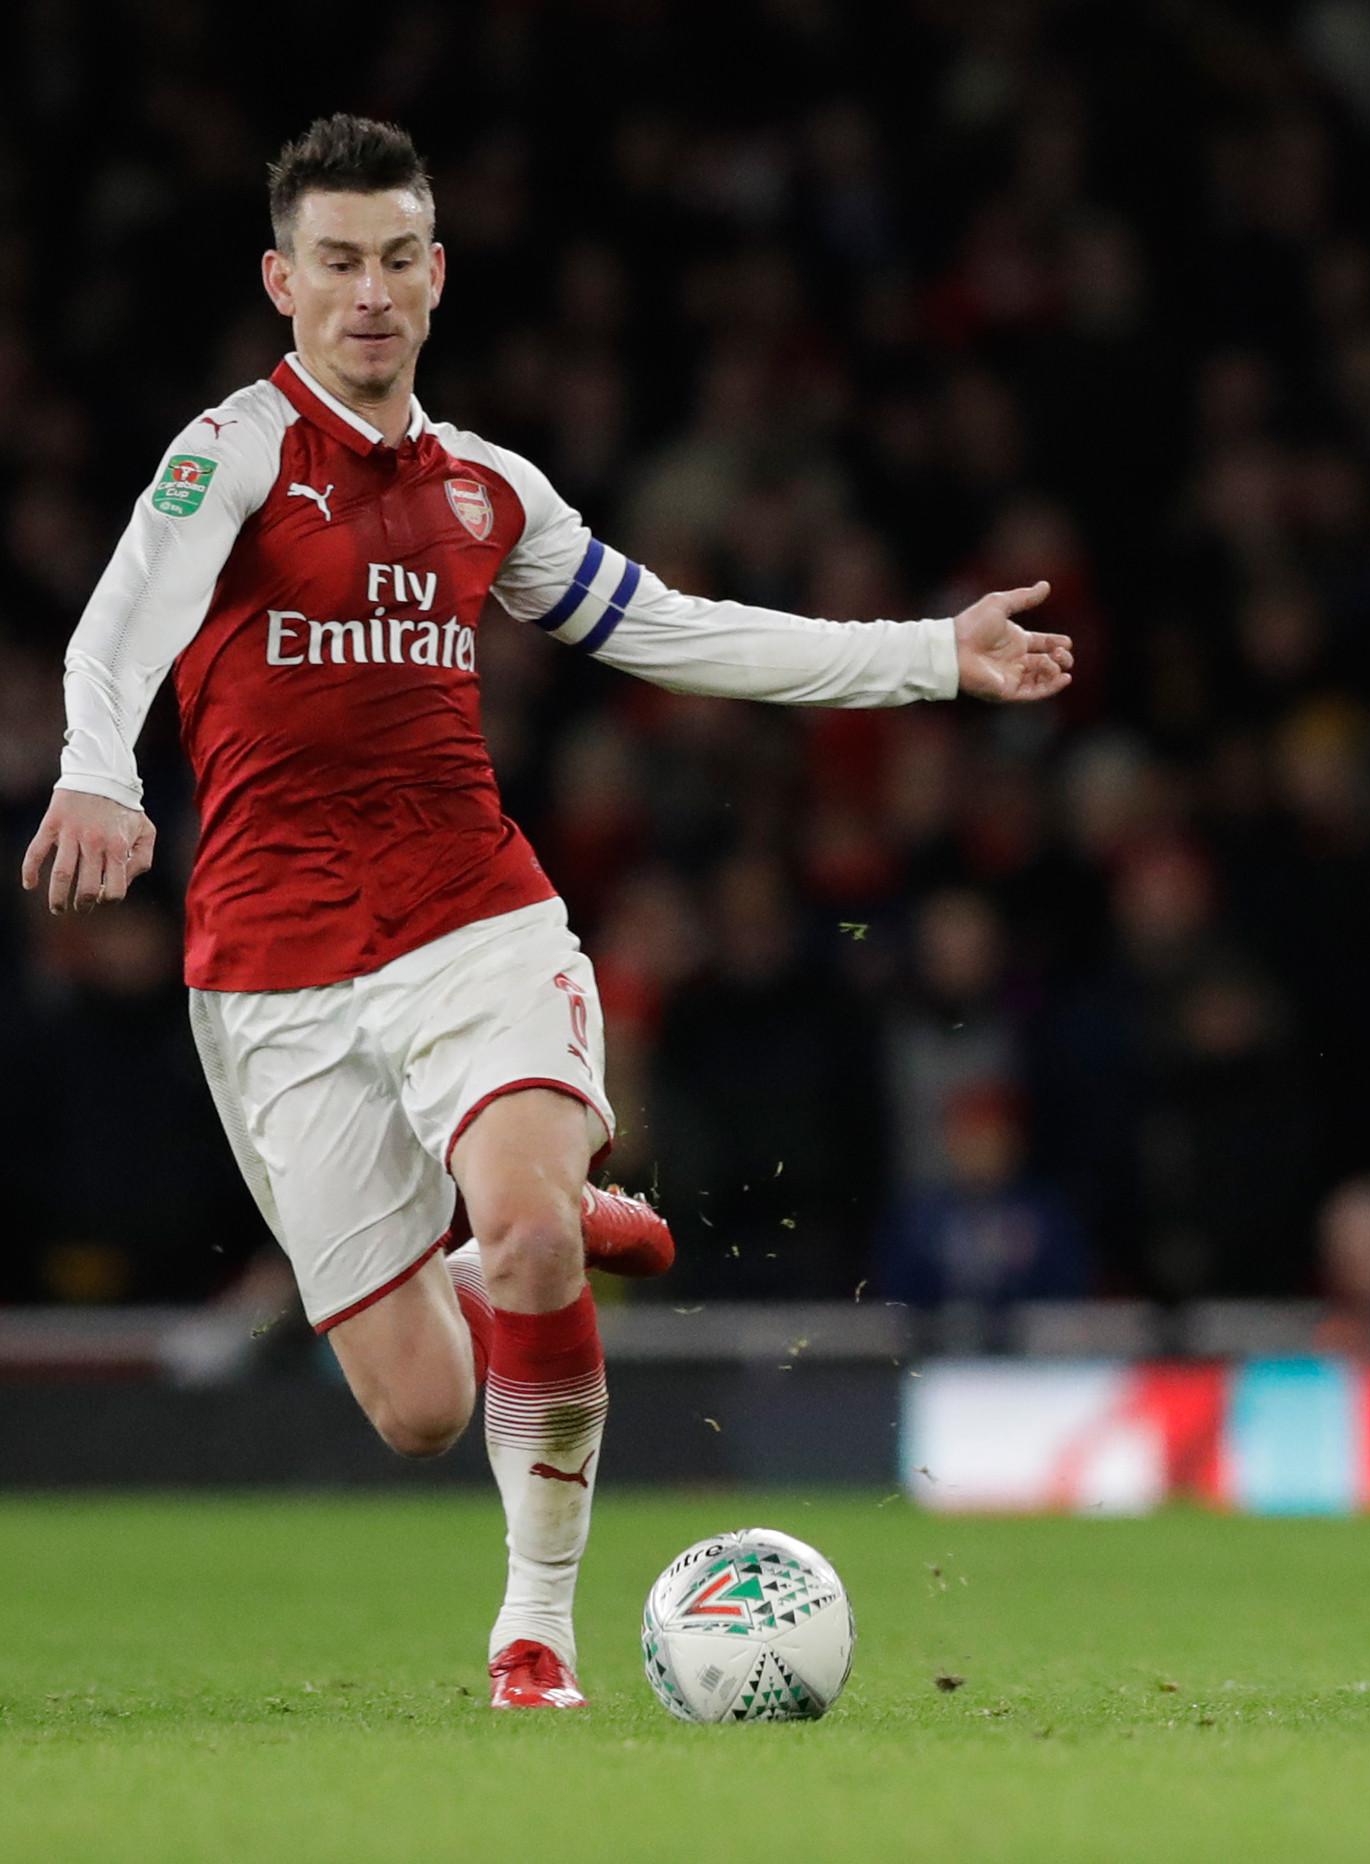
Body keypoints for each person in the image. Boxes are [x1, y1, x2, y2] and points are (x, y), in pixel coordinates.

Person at [19, 116, 1072, 1709]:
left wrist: (930, 654)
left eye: (394, 261)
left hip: (470, 922)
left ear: (435, 277)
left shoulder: (487, 492)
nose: (367, 294)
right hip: (273, 977)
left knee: (510, 1232)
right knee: (422, 1412)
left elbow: (680, 632)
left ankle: (535, 1628)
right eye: (335, 263)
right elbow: (118, 628)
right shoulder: (230, 454)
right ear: (280, 282)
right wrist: (101, 772)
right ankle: (541, 1222)